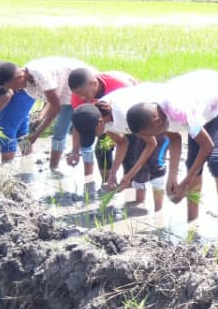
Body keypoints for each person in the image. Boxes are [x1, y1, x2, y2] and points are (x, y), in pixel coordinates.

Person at [126, 70, 218, 236]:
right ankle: (192, 222)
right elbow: (174, 140)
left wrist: (185, 184)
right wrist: (173, 177)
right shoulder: (155, 114)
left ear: (156, 121)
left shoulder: (180, 113)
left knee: (216, 160)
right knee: (192, 163)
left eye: (148, 133)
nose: (150, 138)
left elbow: (207, 147)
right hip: (203, 102)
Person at [71, 82, 171, 213]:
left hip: (158, 119)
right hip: (139, 123)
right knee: (136, 169)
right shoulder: (98, 115)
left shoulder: (124, 116)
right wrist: (113, 174)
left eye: (93, 133)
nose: (95, 136)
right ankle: (137, 207)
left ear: (100, 122)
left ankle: (158, 215)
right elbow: (122, 142)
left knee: (154, 165)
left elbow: (152, 144)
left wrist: (129, 175)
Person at [0, 57, 92, 172]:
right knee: (58, 133)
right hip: (65, 96)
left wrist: (36, 135)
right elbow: (50, 98)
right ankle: (54, 168)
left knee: (65, 131)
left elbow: (55, 107)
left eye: (12, 87)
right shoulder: (26, 84)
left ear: (19, 78)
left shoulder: (41, 75)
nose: (14, 90)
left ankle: (85, 177)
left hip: (84, 87)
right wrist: (41, 117)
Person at [66, 67, 137, 181]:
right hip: (105, 122)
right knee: (102, 149)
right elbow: (80, 123)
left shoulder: (119, 86)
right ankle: (108, 184)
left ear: (94, 84)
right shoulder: (78, 96)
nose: (82, 98)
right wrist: (75, 151)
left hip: (132, 119)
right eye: (79, 95)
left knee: (130, 157)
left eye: (85, 94)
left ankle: (130, 194)